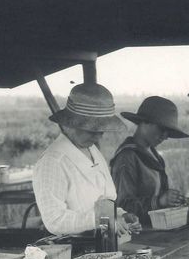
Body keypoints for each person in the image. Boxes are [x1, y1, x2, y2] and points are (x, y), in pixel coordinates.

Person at [33, 82, 142, 238]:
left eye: (101, 131)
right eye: (92, 130)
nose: (98, 136)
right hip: (74, 250)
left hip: (106, 243)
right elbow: (54, 220)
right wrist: (104, 219)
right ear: (71, 123)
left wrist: (121, 215)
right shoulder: (53, 162)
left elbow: (103, 199)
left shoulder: (91, 149)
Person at [110, 96, 189, 226]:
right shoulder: (127, 157)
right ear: (144, 122)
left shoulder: (155, 156)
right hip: (137, 233)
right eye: (162, 129)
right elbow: (122, 206)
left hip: (157, 227)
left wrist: (171, 199)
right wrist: (159, 202)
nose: (165, 137)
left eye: (168, 132)